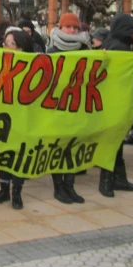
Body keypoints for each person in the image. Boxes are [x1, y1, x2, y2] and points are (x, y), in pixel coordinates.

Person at [45, 12, 89, 203]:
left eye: (75, 28)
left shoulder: (85, 49)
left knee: (73, 147)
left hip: (77, 105)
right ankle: (58, 187)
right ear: (60, 28)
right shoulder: (52, 50)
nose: (72, 31)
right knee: (59, 148)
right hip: (58, 106)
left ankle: (70, 186)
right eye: (68, 27)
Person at [99, 13, 133, 197]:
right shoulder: (121, 46)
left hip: (113, 100)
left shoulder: (113, 42)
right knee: (114, 143)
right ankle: (107, 182)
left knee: (116, 143)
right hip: (115, 101)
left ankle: (118, 179)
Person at [0, 28, 34, 210]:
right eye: (5, 42)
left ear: (21, 48)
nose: (5, 46)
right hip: (2, 118)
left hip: (22, 118)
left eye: (10, 43)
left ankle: (16, 192)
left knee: (18, 156)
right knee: (3, 154)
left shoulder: (33, 65)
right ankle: (3, 190)